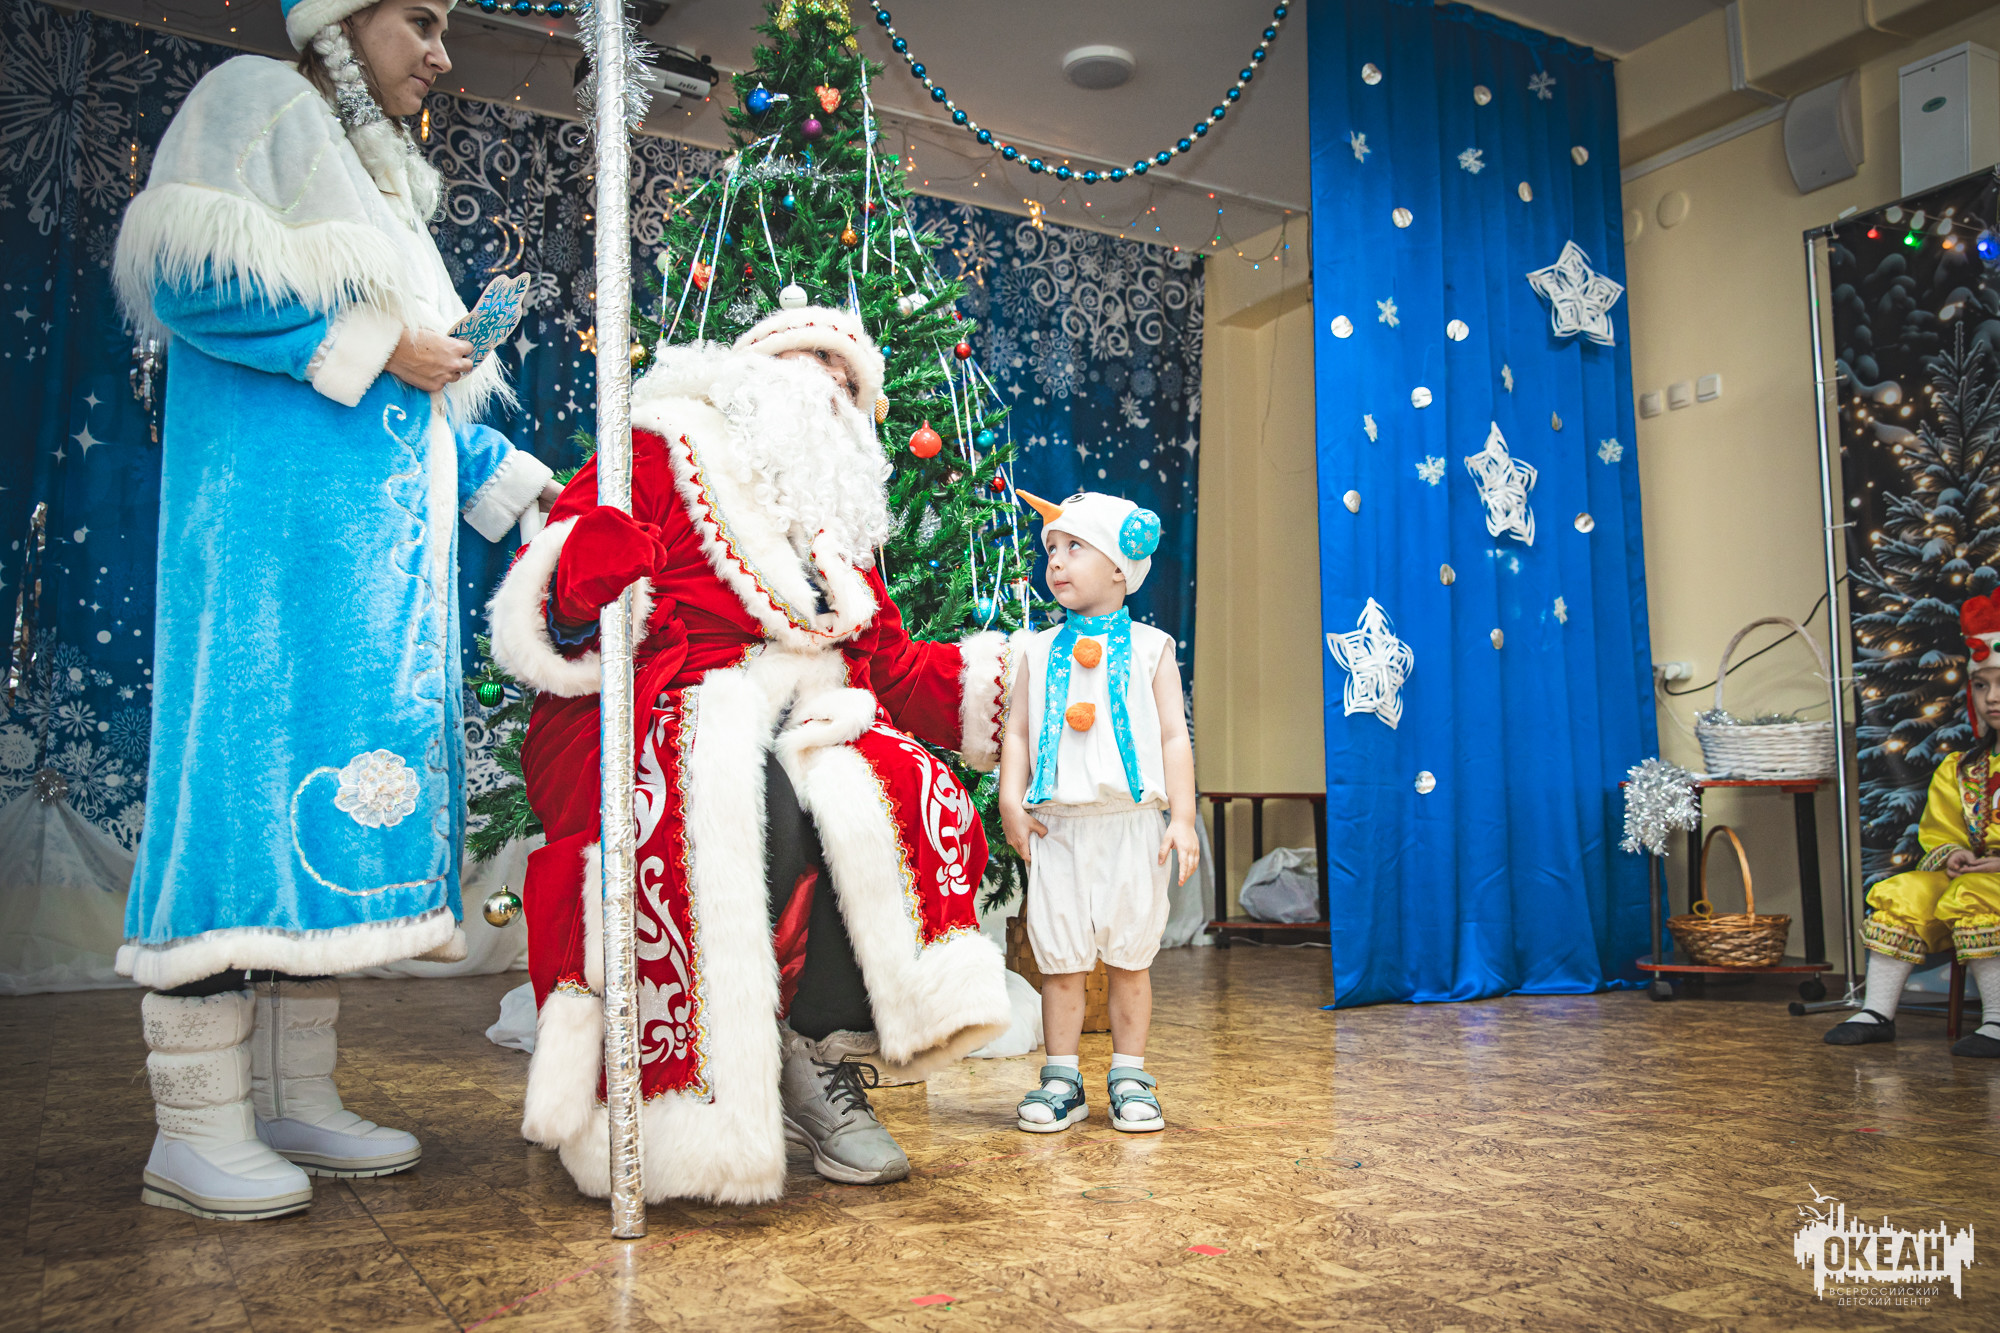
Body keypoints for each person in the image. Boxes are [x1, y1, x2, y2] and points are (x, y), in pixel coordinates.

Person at [111, 0, 556, 1220]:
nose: (441, 54)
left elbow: (420, 401)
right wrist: (373, 336)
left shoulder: (380, 183)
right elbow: (189, 278)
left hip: (366, 590)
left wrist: (517, 488)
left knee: (322, 834)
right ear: (343, 19)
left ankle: (291, 1093)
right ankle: (194, 1127)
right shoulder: (254, 101)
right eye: (420, 21)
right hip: (267, 563)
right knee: (238, 803)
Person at [488, 305, 1016, 1205]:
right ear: (748, 372)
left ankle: (812, 1053)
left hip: (811, 709)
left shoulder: (837, 521)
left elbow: (888, 660)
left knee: (902, 788)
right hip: (671, 700)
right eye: (811, 362)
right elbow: (555, 609)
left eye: (849, 382)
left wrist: (1010, 683)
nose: (829, 388)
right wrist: (585, 578)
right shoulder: (658, 445)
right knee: (751, 802)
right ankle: (696, 1100)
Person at [997, 490, 1199, 1134]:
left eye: (1074, 547)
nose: (1056, 562)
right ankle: (1061, 1079)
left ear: (1119, 566)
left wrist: (1182, 818)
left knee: (1130, 958)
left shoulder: (1152, 648)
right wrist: (1010, 799)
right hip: (1057, 827)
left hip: (1130, 825)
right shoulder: (1034, 651)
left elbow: (1174, 736)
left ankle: (1130, 1075)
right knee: (1060, 960)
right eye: (1051, 550)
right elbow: (1017, 734)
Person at [1825, 592, 2000, 1056]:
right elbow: (1940, 831)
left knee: (1975, 895)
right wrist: (1954, 853)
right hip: (1975, 878)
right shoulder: (1962, 768)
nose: (1992, 698)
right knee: (1902, 893)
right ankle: (1878, 1012)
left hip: (1990, 885)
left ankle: (1998, 1020)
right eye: (1981, 685)